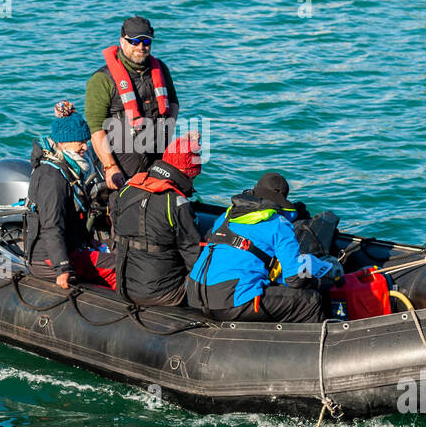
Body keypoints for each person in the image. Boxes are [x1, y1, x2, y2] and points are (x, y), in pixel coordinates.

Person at [185, 172, 324, 323]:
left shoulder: (227, 215)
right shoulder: (279, 223)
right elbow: (294, 279)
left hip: (195, 294)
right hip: (229, 300)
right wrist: (314, 269)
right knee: (311, 302)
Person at [25, 104, 115, 290]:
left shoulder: (68, 168)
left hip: (72, 246)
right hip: (49, 258)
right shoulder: (52, 177)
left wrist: (87, 240)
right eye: (80, 142)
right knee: (118, 266)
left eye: (86, 141)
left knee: (116, 250)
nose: (85, 147)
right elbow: (51, 225)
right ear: (64, 143)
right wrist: (62, 268)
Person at [85, 16, 179, 190]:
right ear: (122, 41)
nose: (141, 47)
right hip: (122, 163)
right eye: (134, 41)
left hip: (157, 159)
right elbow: (96, 128)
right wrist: (110, 167)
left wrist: (168, 130)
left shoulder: (161, 69)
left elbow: (173, 103)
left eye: (146, 41)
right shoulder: (102, 79)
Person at [110, 134, 204, 307]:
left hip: (124, 287)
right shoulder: (177, 203)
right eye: (193, 176)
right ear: (187, 173)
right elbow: (194, 257)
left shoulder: (127, 189)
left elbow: (116, 226)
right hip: (164, 294)